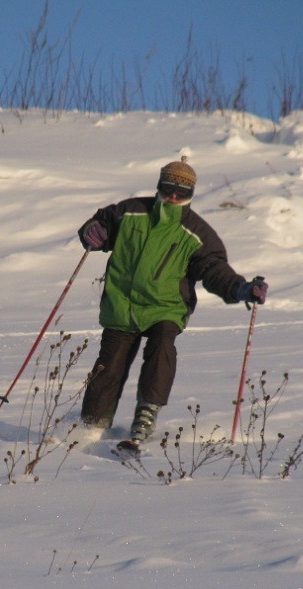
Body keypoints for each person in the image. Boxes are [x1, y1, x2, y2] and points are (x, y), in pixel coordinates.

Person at [77, 156, 268, 448]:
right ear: (159, 185)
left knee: (162, 348)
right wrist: (93, 231)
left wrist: (242, 289)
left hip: (166, 308)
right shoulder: (130, 212)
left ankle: (146, 414)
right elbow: (99, 225)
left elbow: (215, 270)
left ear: (191, 193)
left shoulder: (197, 232)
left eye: (182, 192)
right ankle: (91, 427)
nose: (174, 196)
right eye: (168, 189)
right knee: (109, 366)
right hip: (122, 305)